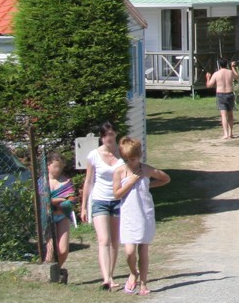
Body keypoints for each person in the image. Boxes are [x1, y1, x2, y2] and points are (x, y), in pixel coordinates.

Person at [114, 136, 170, 296]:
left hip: (144, 213)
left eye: (132, 159)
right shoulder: (119, 172)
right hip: (129, 215)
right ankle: (133, 272)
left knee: (143, 249)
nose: (130, 162)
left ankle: (144, 284)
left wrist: (149, 184)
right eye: (126, 160)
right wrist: (130, 182)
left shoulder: (146, 170)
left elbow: (165, 178)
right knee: (129, 251)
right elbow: (116, 194)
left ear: (139, 156)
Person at [80, 122, 125, 291]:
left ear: (116, 134)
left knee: (114, 241)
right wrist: (84, 206)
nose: (108, 138)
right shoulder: (94, 155)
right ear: (101, 137)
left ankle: (111, 275)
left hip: (118, 200)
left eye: (111, 134)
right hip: (100, 200)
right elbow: (88, 181)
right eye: (105, 135)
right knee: (103, 239)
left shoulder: (122, 153)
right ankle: (106, 278)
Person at [44, 152, 76, 272]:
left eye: (60, 167)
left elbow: (71, 199)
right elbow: (42, 201)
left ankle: (57, 270)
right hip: (48, 218)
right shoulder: (42, 182)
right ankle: (48, 273)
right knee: (51, 250)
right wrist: (60, 200)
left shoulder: (66, 182)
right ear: (48, 165)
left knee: (63, 250)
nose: (58, 169)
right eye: (56, 166)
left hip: (62, 216)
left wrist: (56, 201)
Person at [206, 58, 238, 139]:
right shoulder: (230, 72)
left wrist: (208, 77)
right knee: (230, 115)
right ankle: (230, 133)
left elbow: (209, 85)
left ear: (219, 65)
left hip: (221, 95)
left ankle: (226, 134)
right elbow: (237, 77)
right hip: (230, 94)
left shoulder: (216, 74)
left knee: (223, 115)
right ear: (226, 64)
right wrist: (233, 67)